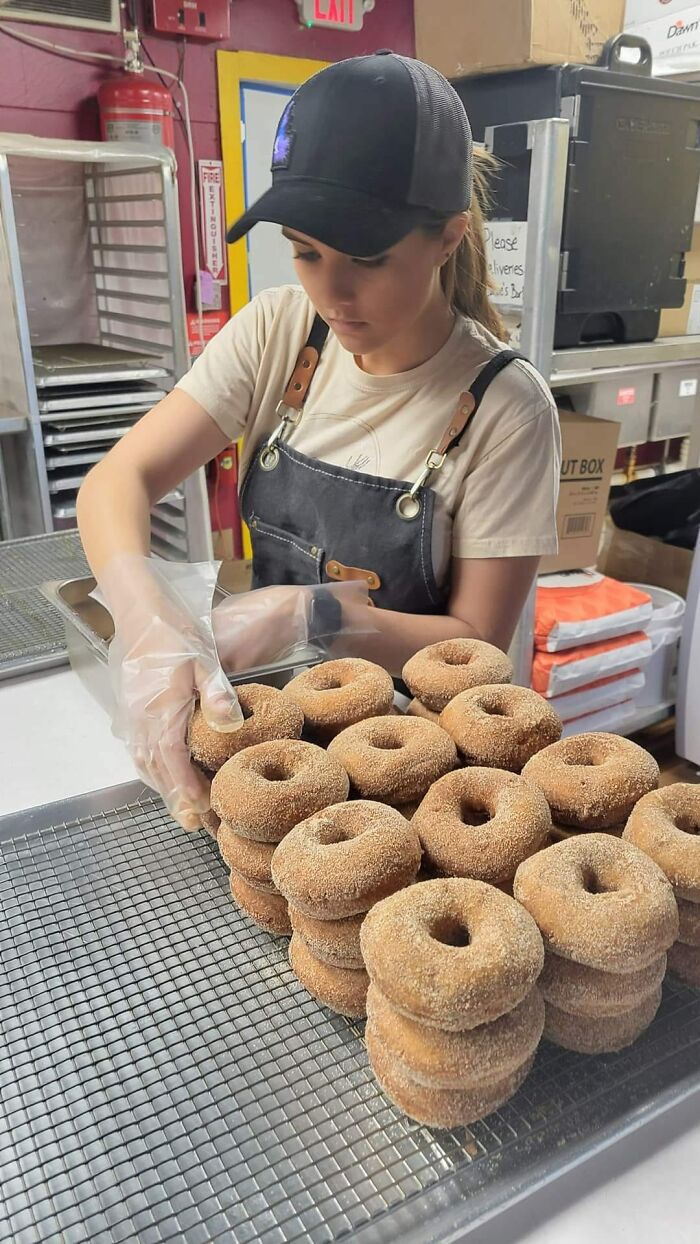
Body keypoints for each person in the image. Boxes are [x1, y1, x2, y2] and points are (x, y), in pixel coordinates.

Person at [77, 51, 560, 830]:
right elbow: (117, 480)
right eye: (306, 251)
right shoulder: (279, 330)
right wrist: (147, 621)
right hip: (271, 729)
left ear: (447, 238)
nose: (331, 294)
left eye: (368, 261)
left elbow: (477, 647)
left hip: (417, 772)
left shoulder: (506, 407)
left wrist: (313, 616)